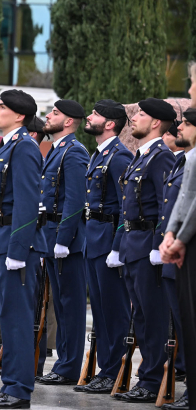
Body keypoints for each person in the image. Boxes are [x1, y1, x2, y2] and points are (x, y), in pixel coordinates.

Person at [0, 89, 47, 408]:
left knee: (18, 318)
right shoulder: (8, 146)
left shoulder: (24, 148)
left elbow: (26, 203)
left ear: (19, 116)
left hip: (15, 242)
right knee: (9, 316)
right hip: (1, 237)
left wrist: (18, 250)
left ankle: (18, 389)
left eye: (2, 107)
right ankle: (10, 385)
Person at [114, 98, 176, 403]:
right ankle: (148, 376)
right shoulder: (141, 157)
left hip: (147, 246)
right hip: (131, 245)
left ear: (155, 123)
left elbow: (166, 204)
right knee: (140, 316)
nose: (133, 118)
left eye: (139, 114)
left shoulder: (161, 158)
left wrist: (157, 247)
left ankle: (152, 380)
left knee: (153, 318)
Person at [75, 99, 134, 393]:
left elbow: (127, 206)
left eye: (95, 114)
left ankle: (115, 371)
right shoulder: (99, 155)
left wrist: (118, 246)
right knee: (99, 310)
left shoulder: (119, 157)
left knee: (114, 310)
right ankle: (106, 369)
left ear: (110, 123)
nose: (89, 116)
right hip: (93, 238)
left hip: (108, 240)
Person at [36, 100, 89, 385]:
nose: (48, 115)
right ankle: (63, 365)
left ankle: (68, 367)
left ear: (69, 121)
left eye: (55, 113)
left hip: (67, 240)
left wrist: (64, 239)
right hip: (53, 235)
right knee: (61, 301)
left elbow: (75, 200)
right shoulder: (57, 150)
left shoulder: (74, 152)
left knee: (71, 304)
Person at [157, 112, 194, 410]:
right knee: (182, 322)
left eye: (187, 123)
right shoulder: (183, 159)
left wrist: (177, 238)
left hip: (186, 246)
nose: (179, 127)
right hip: (175, 246)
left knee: (187, 324)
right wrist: (169, 235)